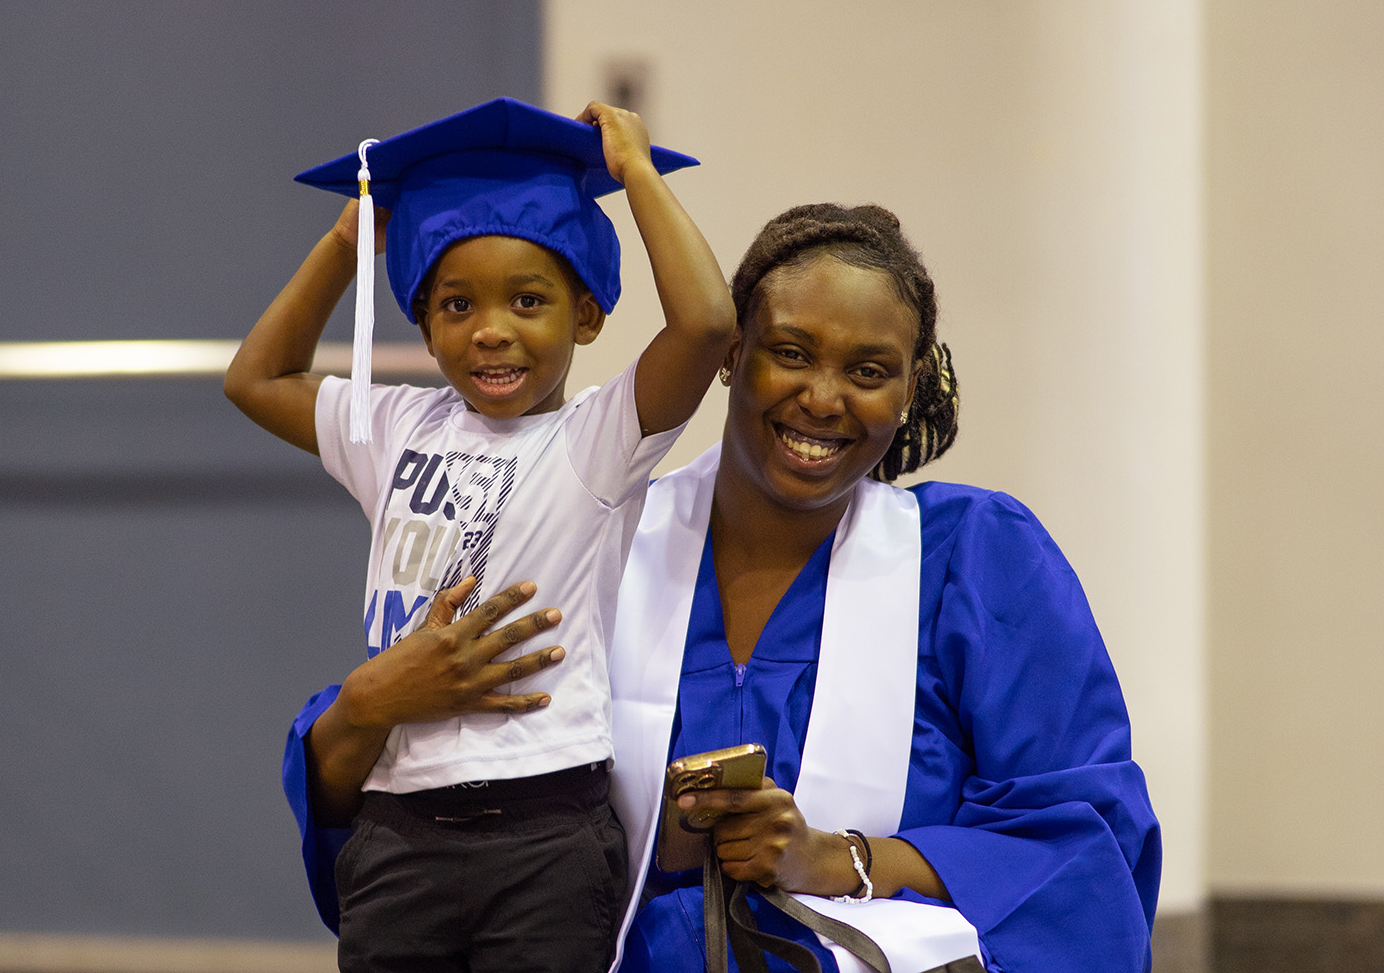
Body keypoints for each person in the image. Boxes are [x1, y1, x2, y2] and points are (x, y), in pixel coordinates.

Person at [284, 203, 1162, 973]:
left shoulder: (974, 559)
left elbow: (1079, 842)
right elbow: (398, 808)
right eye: (791, 353)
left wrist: (838, 860)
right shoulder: (593, 532)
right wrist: (361, 706)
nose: (824, 398)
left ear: (908, 388)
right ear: (730, 356)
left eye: (869, 371)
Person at [227, 97, 734, 972]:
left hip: (546, 834)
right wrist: (348, 243)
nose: (490, 329)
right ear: (424, 324)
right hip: (398, 829)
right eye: (456, 304)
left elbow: (706, 325)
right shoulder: (393, 429)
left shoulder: (595, 443)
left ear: (587, 316)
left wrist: (638, 176)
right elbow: (255, 376)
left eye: (529, 301)